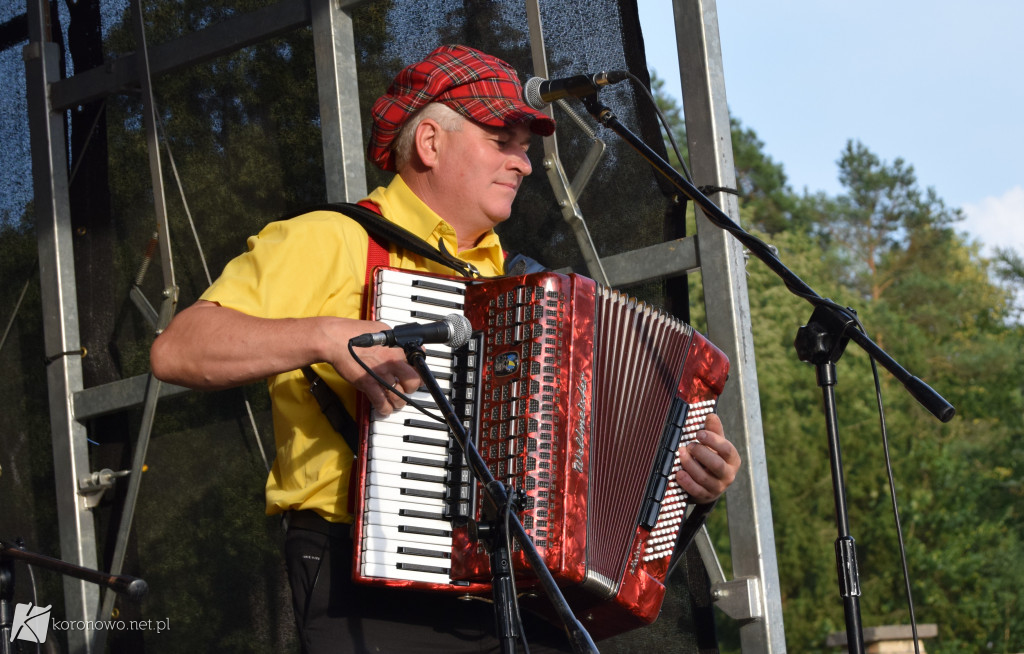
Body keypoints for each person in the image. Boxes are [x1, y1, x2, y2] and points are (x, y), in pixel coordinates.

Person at [150, 44, 740, 653]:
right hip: (371, 595)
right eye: (502, 141)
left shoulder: (526, 286)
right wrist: (328, 335)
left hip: (524, 603)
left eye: (526, 148)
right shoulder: (334, 239)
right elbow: (179, 349)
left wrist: (684, 470)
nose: (525, 164)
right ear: (430, 142)